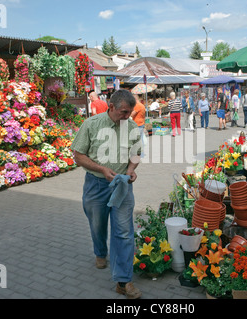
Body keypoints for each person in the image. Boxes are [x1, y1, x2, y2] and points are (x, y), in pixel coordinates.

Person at [70, 89, 142, 299]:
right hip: (96, 185)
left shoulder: (131, 127)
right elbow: (78, 156)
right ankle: (100, 251)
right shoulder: (91, 125)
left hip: (122, 185)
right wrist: (101, 169)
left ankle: (123, 281)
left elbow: (135, 154)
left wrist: (130, 171)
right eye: (123, 112)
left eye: (130, 112)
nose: (127, 117)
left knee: (124, 232)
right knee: (97, 224)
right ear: (111, 107)